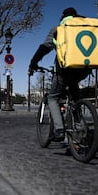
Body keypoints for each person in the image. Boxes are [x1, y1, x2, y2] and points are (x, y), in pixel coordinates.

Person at [29, 7, 91, 141]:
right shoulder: (86, 25)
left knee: (52, 98)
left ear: (63, 17)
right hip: (84, 69)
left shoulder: (59, 28)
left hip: (65, 69)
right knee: (75, 98)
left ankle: (59, 129)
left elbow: (44, 48)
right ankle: (80, 125)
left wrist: (33, 63)